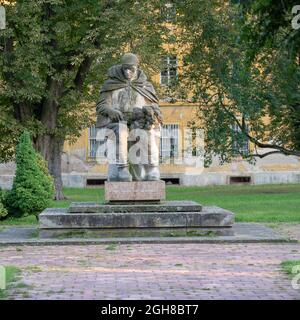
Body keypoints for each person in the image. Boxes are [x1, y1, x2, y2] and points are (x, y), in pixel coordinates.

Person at [96, 53, 163, 181]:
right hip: (117, 122)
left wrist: (152, 112)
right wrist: (111, 111)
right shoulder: (111, 84)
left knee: (147, 133)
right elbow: (101, 106)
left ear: (136, 68)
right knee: (121, 132)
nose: (128, 72)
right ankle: (123, 169)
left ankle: (151, 168)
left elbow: (155, 107)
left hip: (138, 122)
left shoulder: (145, 86)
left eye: (131, 69)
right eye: (125, 68)